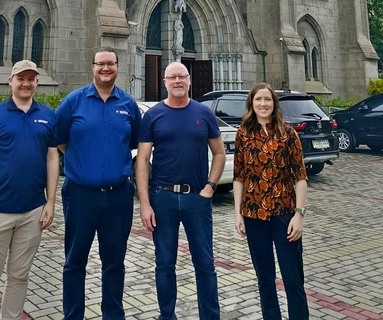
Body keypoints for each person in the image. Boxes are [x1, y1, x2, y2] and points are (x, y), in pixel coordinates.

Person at [0, 59, 59, 320]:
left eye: (31, 79)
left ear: (37, 83)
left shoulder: (48, 115)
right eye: (21, 78)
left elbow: (52, 158)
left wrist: (50, 201)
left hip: (32, 211)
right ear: (11, 81)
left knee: (19, 276)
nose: (26, 83)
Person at [54, 47, 141, 320]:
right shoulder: (73, 101)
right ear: (92, 67)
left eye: (111, 64)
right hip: (80, 196)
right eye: (101, 64)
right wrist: (82, 163)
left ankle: (113, 316)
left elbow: (134, 142)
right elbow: (59, 139)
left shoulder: (128, 105)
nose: (106, 68)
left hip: (118, 197)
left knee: (114, 263)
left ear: (118, 67)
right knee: (74, 262)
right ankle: (73, 316)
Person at [136, 62, 226, 320]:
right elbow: (142, 160)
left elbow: (219, 153)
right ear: (164, 82)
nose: (177, 81)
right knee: (164, 264)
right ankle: (167, 316)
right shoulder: (152, 116)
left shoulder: (204, 113)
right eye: (172, 77)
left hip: (197, 199)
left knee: (206, 265)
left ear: (189, 80)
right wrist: (145, 203)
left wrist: (210, 187)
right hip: (162, 198)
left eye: (182, 76)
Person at [233, 83, 309, 319]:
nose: (263, 104)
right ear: (251, 104)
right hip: (254, 215)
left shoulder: (288, 134)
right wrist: (238, 214)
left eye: (267, 99)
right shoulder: (243, 134)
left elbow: (300, 177)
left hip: (285, 214)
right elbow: (239, 177)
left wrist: (299, 215)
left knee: (292, 277)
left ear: (274, 103)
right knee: (265, 277)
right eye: (258, 100)